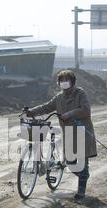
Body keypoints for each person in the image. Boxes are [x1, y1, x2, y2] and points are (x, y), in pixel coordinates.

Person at [24, 70, 97, 200]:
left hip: (82, 133)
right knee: (70, 162)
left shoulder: (80, 93)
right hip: (68, 134)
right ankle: (84, 175)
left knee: (81, 163)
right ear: (58, 83)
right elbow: (46, 107)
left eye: (66, 80)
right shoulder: (59, 97)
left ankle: (81, 190)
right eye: (61, 80)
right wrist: (31, 112)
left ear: (72, 82)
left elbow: (85, 110)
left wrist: (69, 114)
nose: (64, 82)